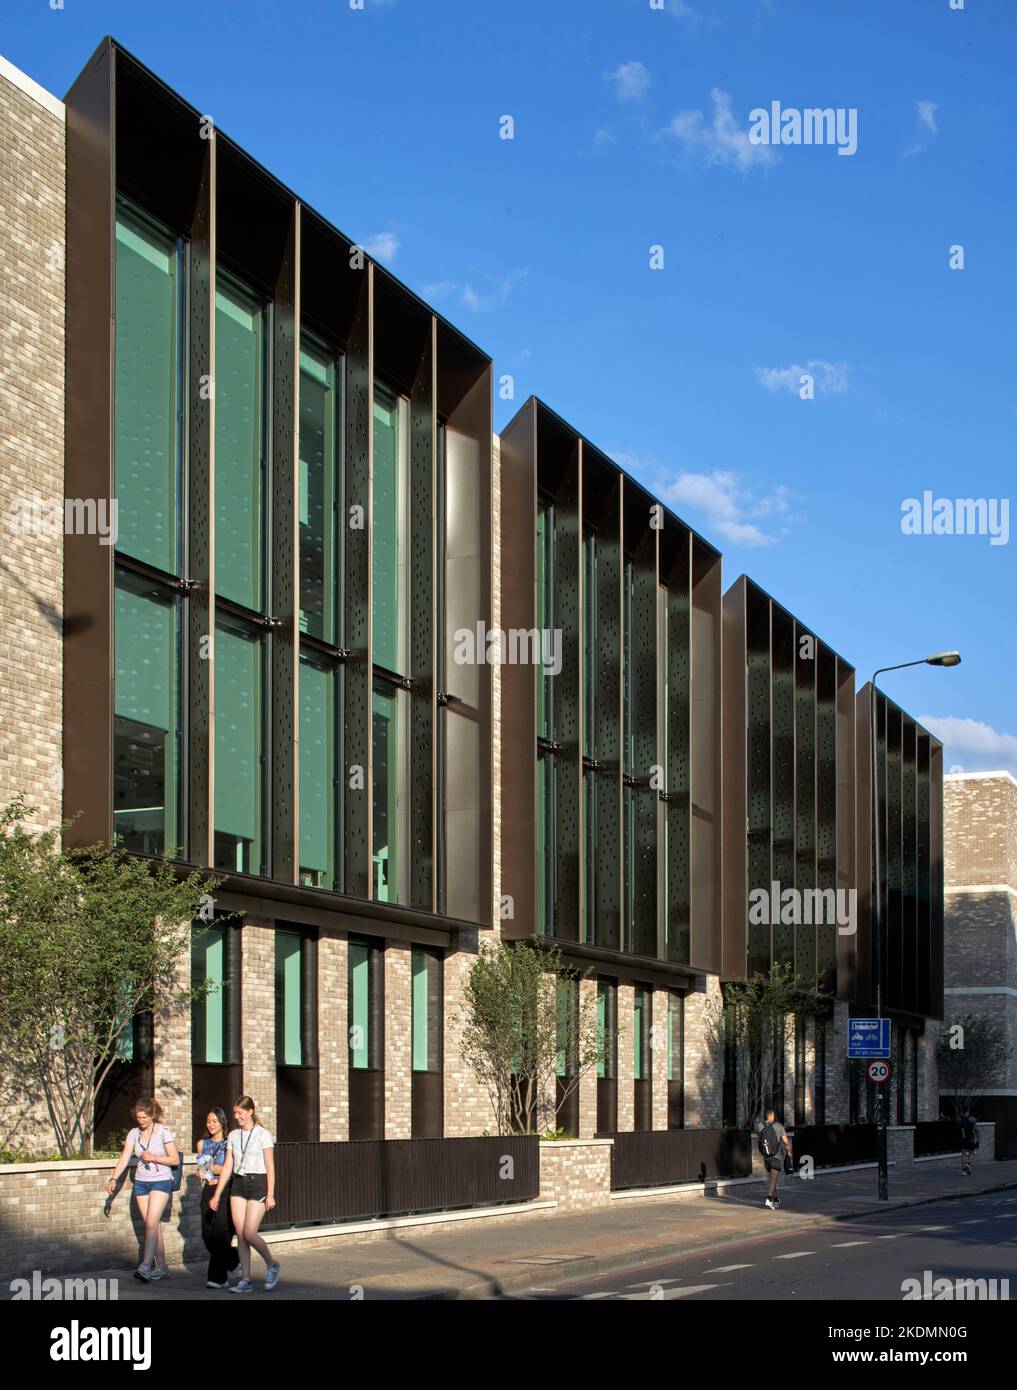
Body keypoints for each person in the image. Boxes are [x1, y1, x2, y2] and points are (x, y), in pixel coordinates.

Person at [209, 1096, 280, 1293]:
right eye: (235, 1113)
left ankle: (272, 1264)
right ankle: (246, 1279)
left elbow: (270, 1166)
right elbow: (228, 1166)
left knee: (249, 1232)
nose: (237, 1116)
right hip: (238, 1184)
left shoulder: (262, 1134)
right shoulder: (233, 1135)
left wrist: (270, 1193)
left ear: (250, 1111)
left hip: (257, 1183)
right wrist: (217, 1194)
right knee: (240, 1235)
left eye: (240, 1113)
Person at [105, 1097, 180, 1282]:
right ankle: (162, 1267)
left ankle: (145, 1266)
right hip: (141, 1182)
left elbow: (174, 1159)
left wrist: (154, 1157)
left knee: (150, 1224)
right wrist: (114, 1178)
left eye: (144, 1117)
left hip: (160, 1181)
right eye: (138, 1117)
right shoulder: (133, 1133)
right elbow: (124, 1158)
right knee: (152, 1226)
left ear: (152, 1115)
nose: (141, 1121)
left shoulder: (163, 1132)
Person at [197, 1107, 242, 1289]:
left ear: (222, 1122)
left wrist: (221, 1170)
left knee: (220, 1234)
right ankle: (233, 1258)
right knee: (207, 1235)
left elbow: (234, 1167)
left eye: (214, 1121)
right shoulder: (202, 1143)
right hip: (207, 1190)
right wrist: (201, 1172)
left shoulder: (229, 1142)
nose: (211, 1124)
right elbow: (204, 1169)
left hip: (225, 1190)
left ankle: (217, 1278)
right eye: (208, 1121)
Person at [755, 1106, 792, 1210]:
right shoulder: (779, 1126)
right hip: (776, 1156)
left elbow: (758, 1141)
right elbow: (786, 1142)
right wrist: (789, 1152)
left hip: (766, 1157)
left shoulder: (759, 1126)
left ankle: (775, 1200)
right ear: (773, 1115)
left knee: (772, 1180)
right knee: (773, 1180)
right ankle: (768, 1198)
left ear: (766, 1116)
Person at [959, 1111, 979, 1176]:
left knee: (963, 1154)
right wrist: (978, 1139)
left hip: (963, 1139)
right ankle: (968, 1164)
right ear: (968, 1111)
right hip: (971, 1139)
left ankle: (964, 1170)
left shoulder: (959, 1119)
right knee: (972, 1152)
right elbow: (976, 1130)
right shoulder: (972, 1119)